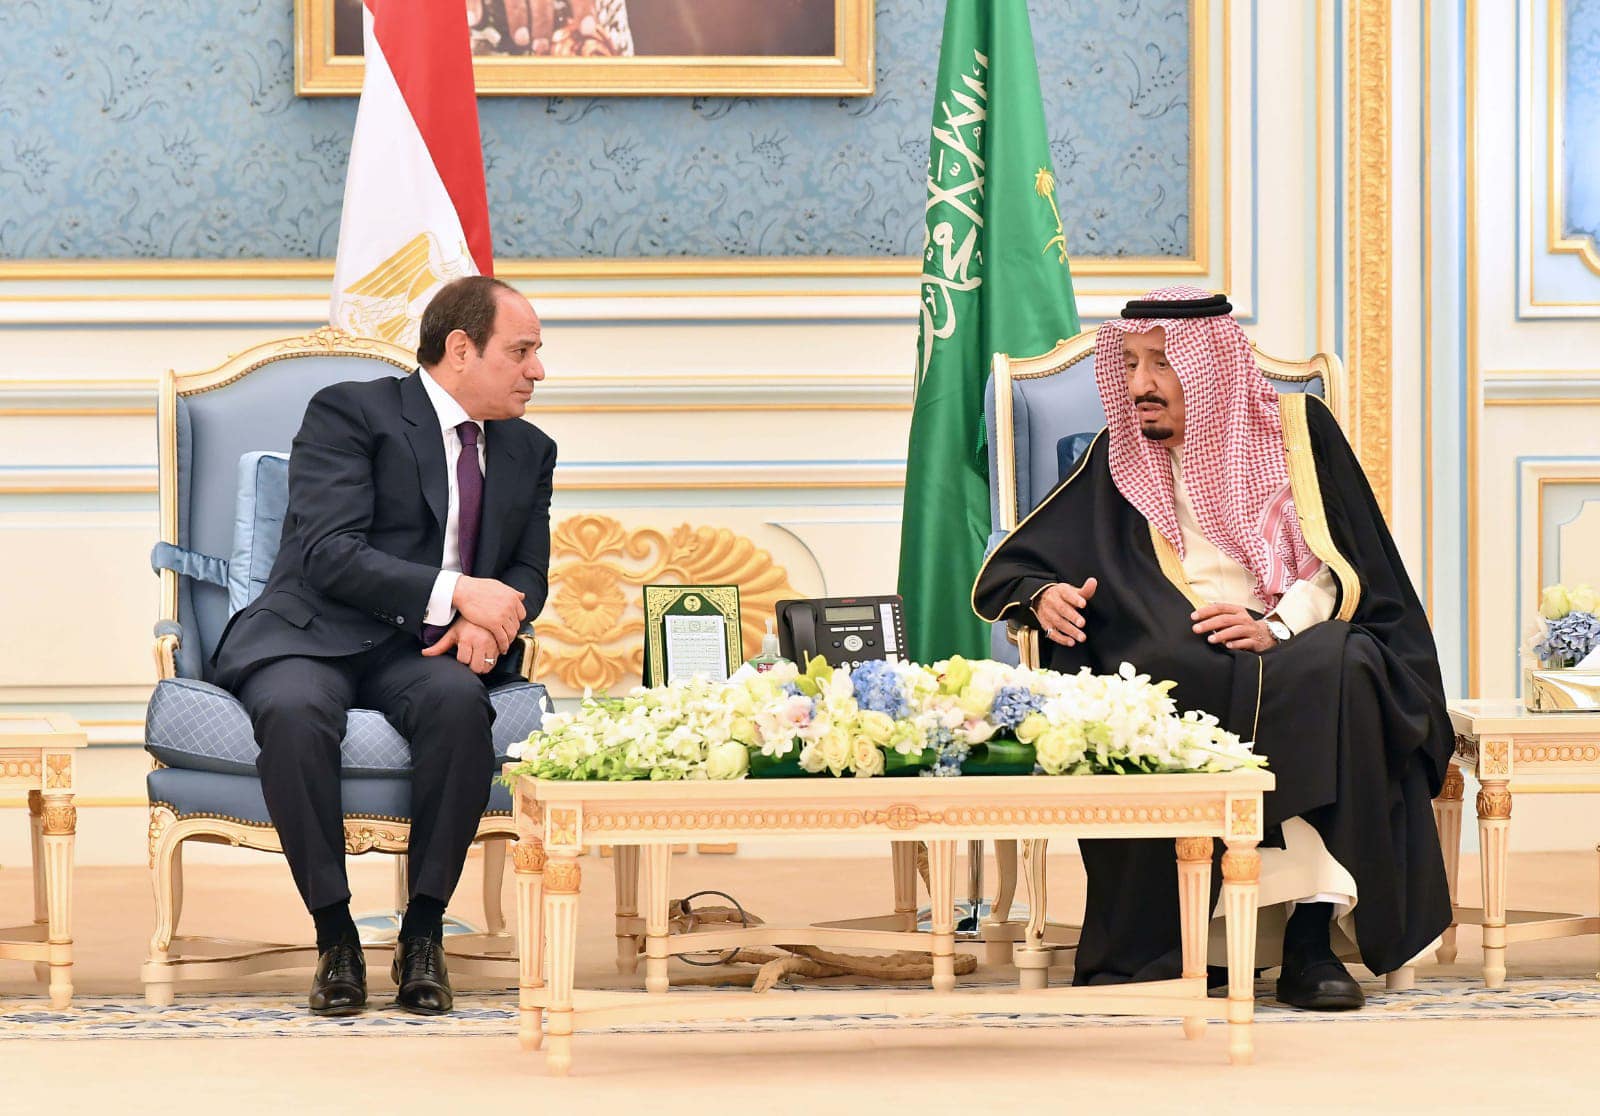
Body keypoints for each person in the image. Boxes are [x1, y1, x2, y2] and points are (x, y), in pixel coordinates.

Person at [972, 286, 1452, 1010]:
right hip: (1177, 653)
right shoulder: (1118, 456)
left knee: (1345, 665)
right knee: (1175, 675)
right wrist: (1042, 595)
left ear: (1210, 365)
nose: (1140, 384)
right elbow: (1025, 558)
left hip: (1294, 636)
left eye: (1161, 363)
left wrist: (1277, 627)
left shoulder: (1298, 433)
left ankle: (1311, 938)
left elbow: (1346, 564)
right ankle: (1199, 940)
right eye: (1130, 364)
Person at [213, 276, 556, 1017]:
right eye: (521, 351)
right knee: (294, 712)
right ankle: (334, 937)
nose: (537, 370)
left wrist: (486, 622)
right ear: (460, 349)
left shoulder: (530, 449)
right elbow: (330, 552)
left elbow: (528, 571)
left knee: (460, 708)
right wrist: (461, 593)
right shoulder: (350, 412)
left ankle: (423, 933)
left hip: (423, 651)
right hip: (312, 634)